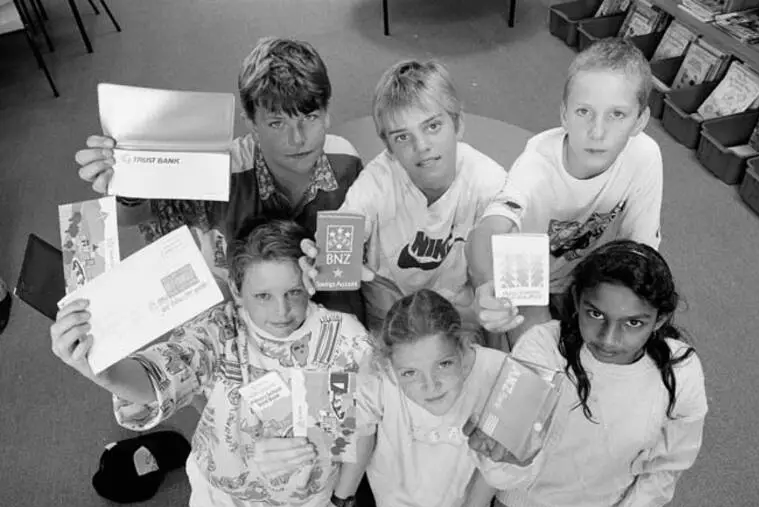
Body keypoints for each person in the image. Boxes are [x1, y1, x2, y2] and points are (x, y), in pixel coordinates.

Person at [50, 220, 375, 507]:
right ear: (236, 290)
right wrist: (102, 372)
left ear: (309, 281)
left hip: (307, 505)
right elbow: (161, 375)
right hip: (221, 501)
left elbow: (358, 431)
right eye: (262, 295)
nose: (282, 311)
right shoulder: (219, 329)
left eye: (293, 292)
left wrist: (340, 503)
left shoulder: (345, 340)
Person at [74, 36, 365, 322]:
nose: (297, 139)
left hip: (323, 301)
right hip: (244, 308)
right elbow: (137, 214)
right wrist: (125, 179)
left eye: (310, 117)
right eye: (277, 123)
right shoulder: (222, 173)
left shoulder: (346, 162)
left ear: (327, 113)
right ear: (251, 124)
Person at [464, 240, 708, 507]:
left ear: (660, 320)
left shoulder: (681, 370)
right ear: (578, 300)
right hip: (522, 506)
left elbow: (669, 465)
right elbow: (501, 471)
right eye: (596, 314)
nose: (609, 339)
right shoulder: (542, 347)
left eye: (633, 323)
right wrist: (506, 460)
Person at [468, 38, 662, 347]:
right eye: (584, 111)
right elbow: (487, 231)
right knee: (545, 365)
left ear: (640, 120)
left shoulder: (646, 156)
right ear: (564, 115)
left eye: (617, 115)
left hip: (592, 273)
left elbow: (640, 252)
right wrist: (484, 287)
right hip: (527, 274)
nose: (597, 131)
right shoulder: (536, 165)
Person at [302, 59, 507, 332]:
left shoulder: (489, 182)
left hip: (455, 307)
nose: (422, 146)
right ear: (388, 147)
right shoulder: (377, 183)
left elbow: (500, 261)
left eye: (432, 126)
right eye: (402, 137)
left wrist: (491, 300)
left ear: (457, 125)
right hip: (389, 304)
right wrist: (321, 261)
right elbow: (341, 238)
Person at [353, 289, 521, 507]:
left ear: (463, 346)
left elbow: (496, 465)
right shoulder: (375, 374)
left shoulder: (499, 373)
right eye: (410, 373)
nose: (430, 386)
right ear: (389, 364)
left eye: (444, 364)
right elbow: (355, 437)